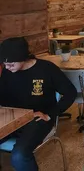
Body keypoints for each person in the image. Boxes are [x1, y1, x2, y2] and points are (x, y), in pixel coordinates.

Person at [0, 37, 77, 171]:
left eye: (11, 64)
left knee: (19, 155)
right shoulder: (7, 72)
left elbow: (70, 93)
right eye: (4, 64)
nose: (7, 67)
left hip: (38, 120)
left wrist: (50, 115)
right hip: (12, 119)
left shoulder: (46, 69)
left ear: (23, 57)